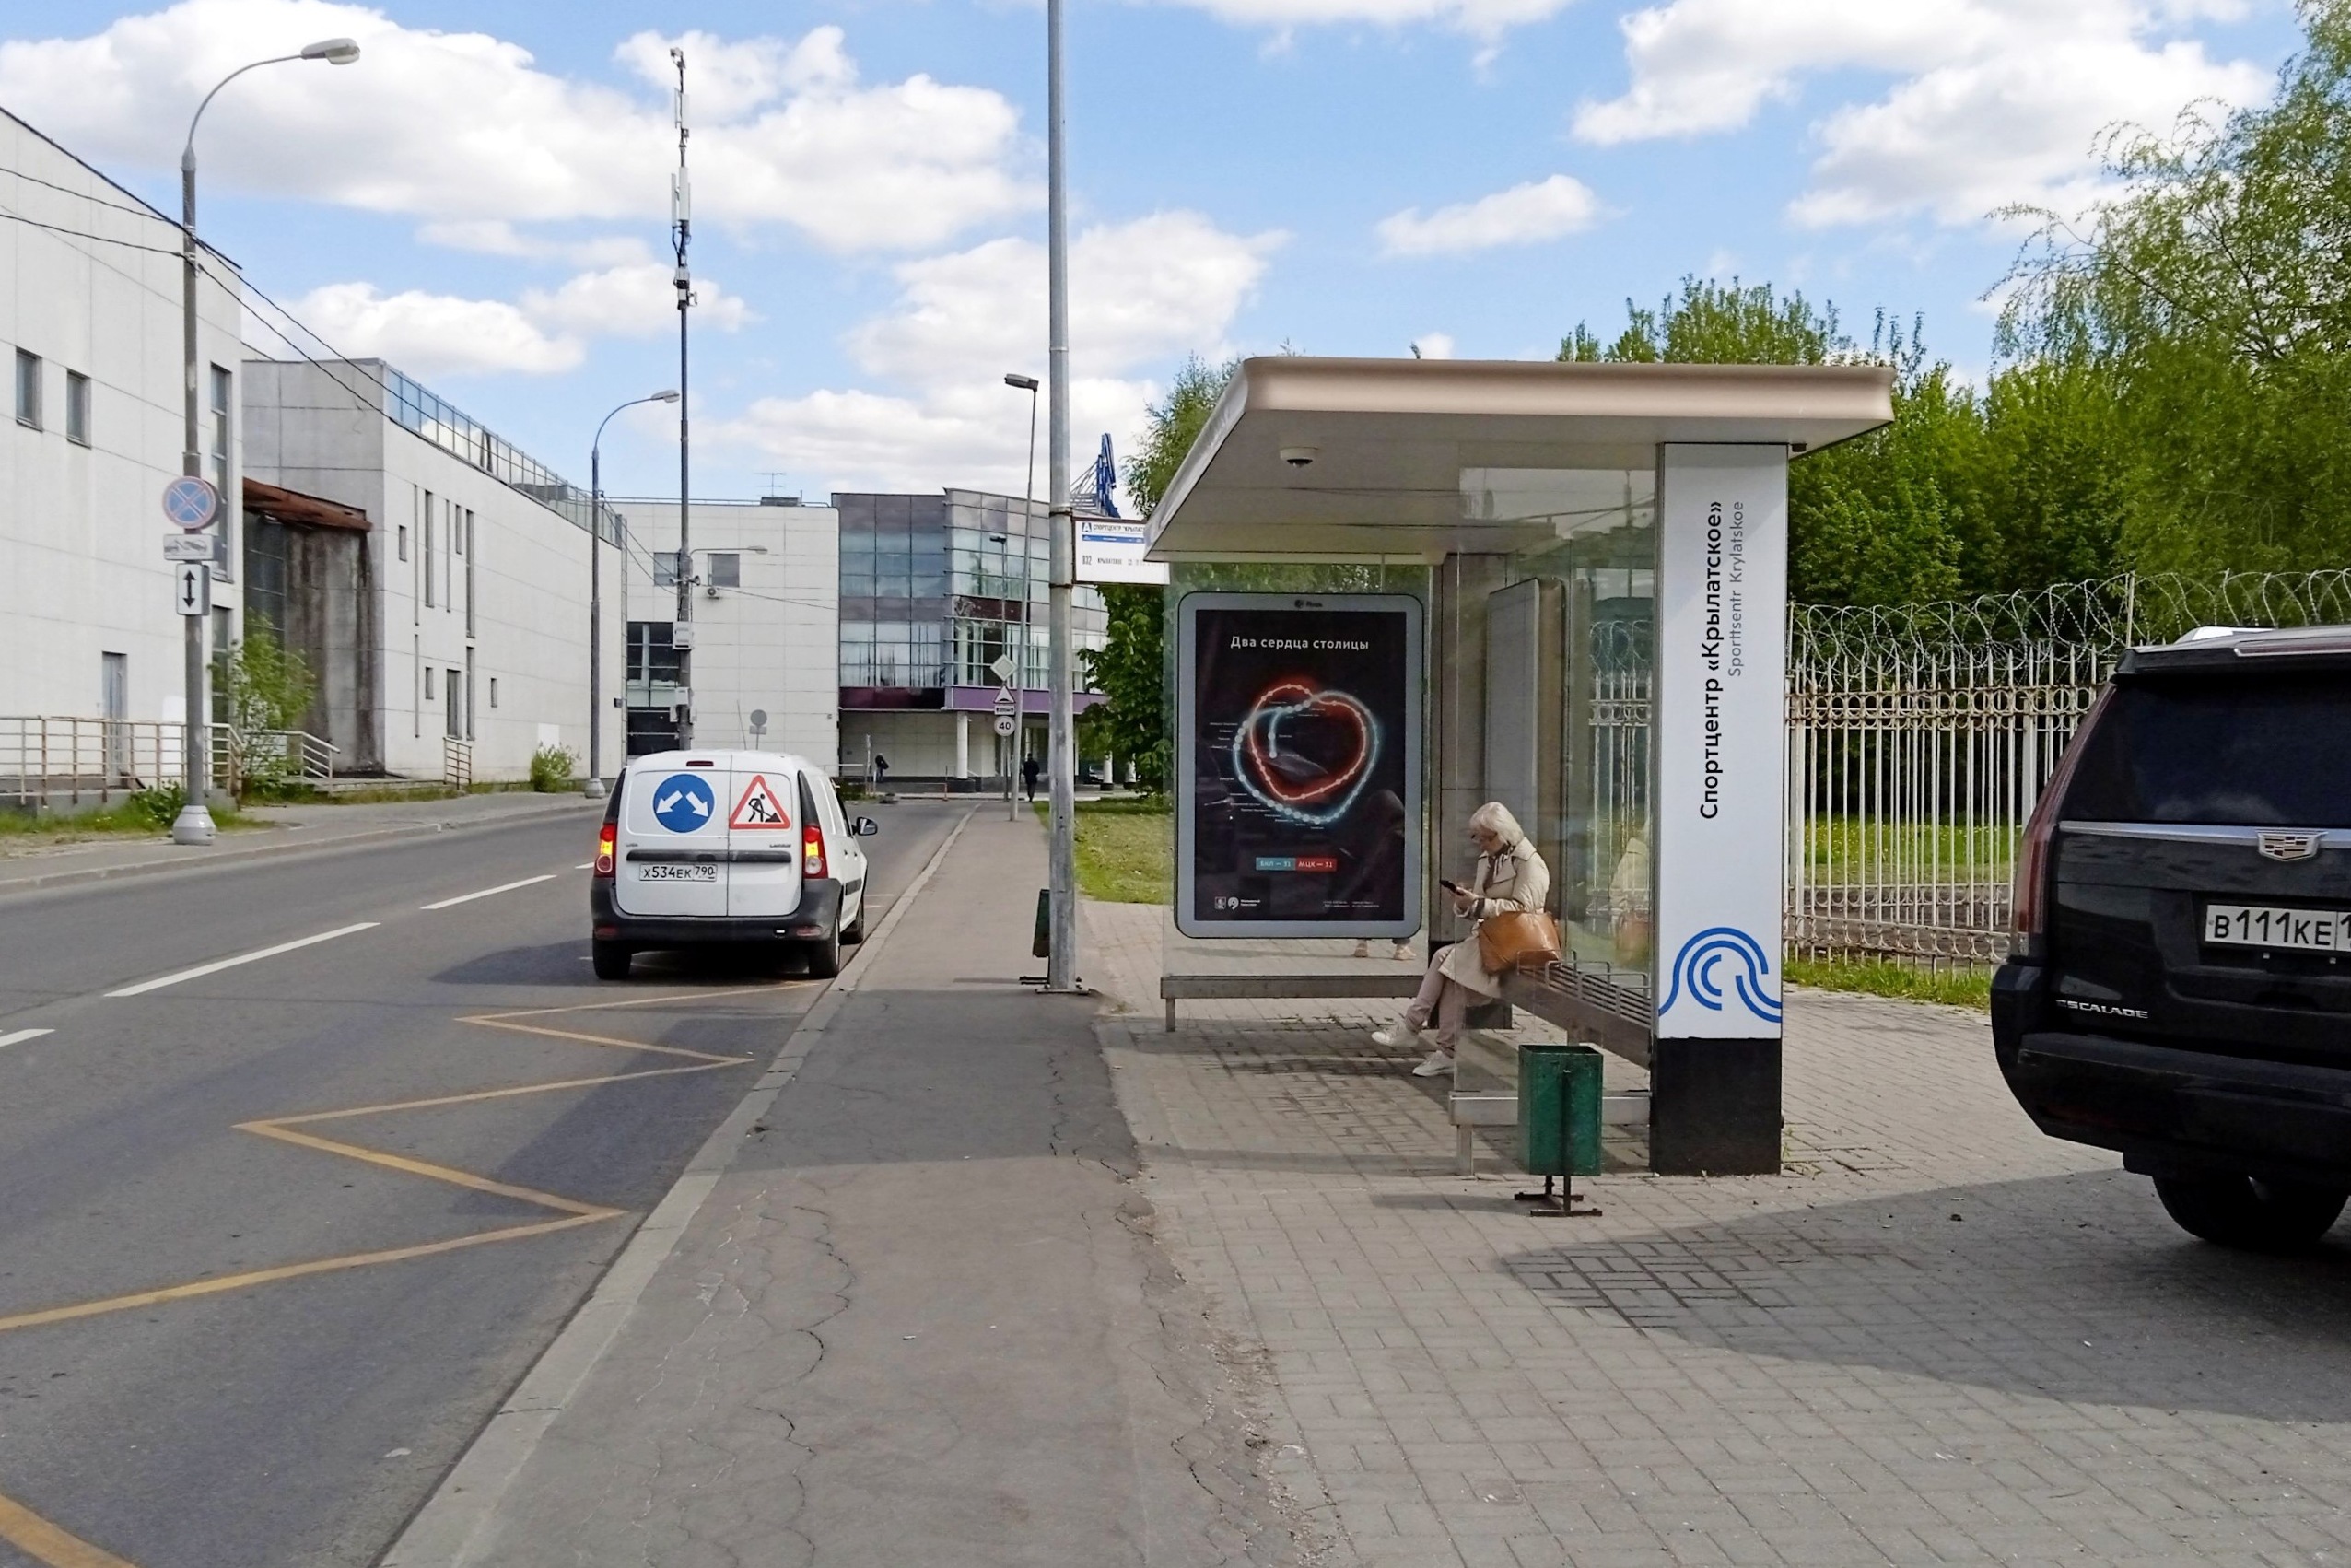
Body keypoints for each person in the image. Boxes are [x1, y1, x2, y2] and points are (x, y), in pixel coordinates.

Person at [1374, 801, 1550, 1077]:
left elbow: (1524, 911)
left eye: (1486, 838)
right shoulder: (1487, 860)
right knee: (1450, 972)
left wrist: (1478, 904)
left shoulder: (1529, 863)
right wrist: (1464, 902)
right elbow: (1480, 904)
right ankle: (1441, 1047)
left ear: (1503, 833)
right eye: (1477, 837)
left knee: (1445, 960)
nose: (1481, 844)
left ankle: (1415, 1029)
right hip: (1490, 940)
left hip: (1516, 945)